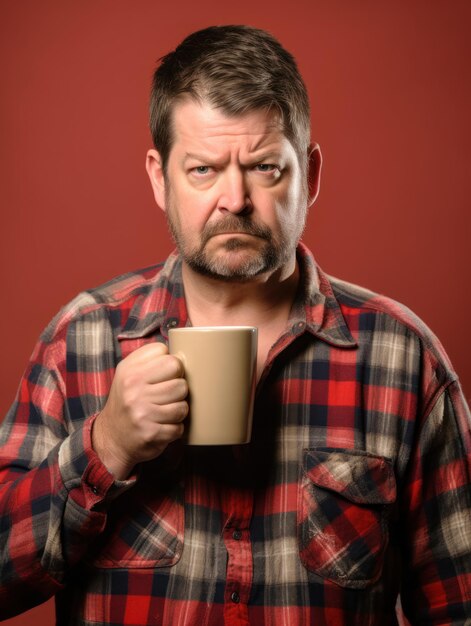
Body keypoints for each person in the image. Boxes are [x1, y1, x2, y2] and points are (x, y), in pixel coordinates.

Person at [0, 24, 470, 626]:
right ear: (158, 177)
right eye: (202, 170)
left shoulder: (403, 359)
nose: (235, 199)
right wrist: (107, 446)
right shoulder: (81, 340)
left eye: (265, 168)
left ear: (311, 175)